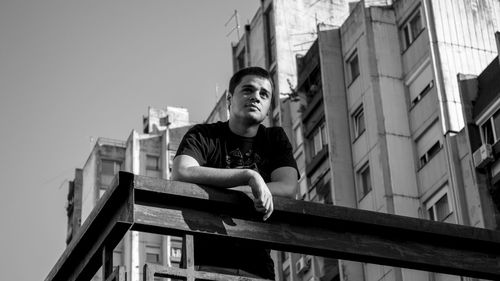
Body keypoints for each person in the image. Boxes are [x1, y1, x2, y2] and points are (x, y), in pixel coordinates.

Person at [172, 66, 299, 280]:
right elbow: (182, 172)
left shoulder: (274, 139)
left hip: (256, 266)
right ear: (230, 99)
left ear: (268, 108)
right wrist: (249, 177)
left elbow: (288, 188)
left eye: (264, 94)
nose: (256, 97)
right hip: (202, 263)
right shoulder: (204, 135)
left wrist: (242, 188)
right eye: (248, 90)